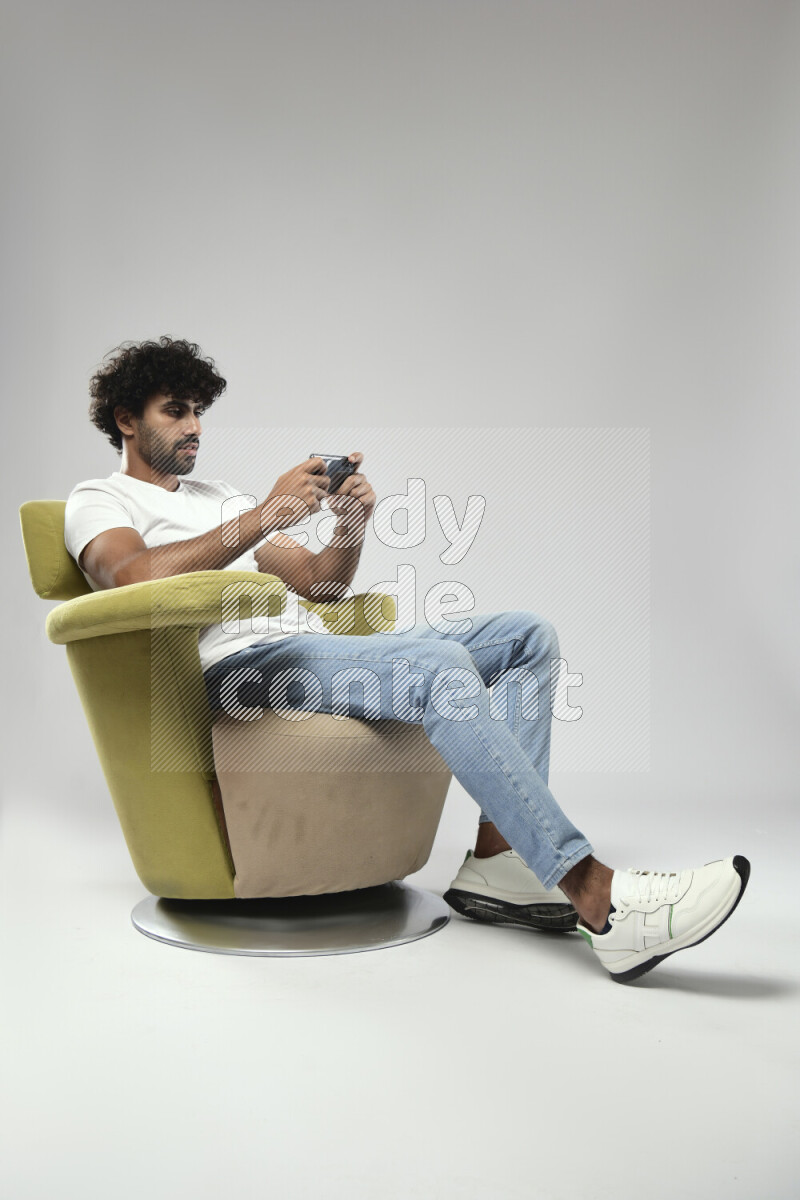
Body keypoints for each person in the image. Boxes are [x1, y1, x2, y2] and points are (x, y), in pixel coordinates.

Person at [65, 337, 750, 983]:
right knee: (441, 669)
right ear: (126, 419)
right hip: (242, 672)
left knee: (524, 637)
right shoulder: (100, 500)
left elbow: (321, 584)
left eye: (199, 412)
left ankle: (499, 863)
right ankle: (598, 897)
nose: (195, 427)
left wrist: (349, 523)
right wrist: (265, 514)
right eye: (174, 412)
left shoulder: (219, 499)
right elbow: (130, 577)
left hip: (312, 648)